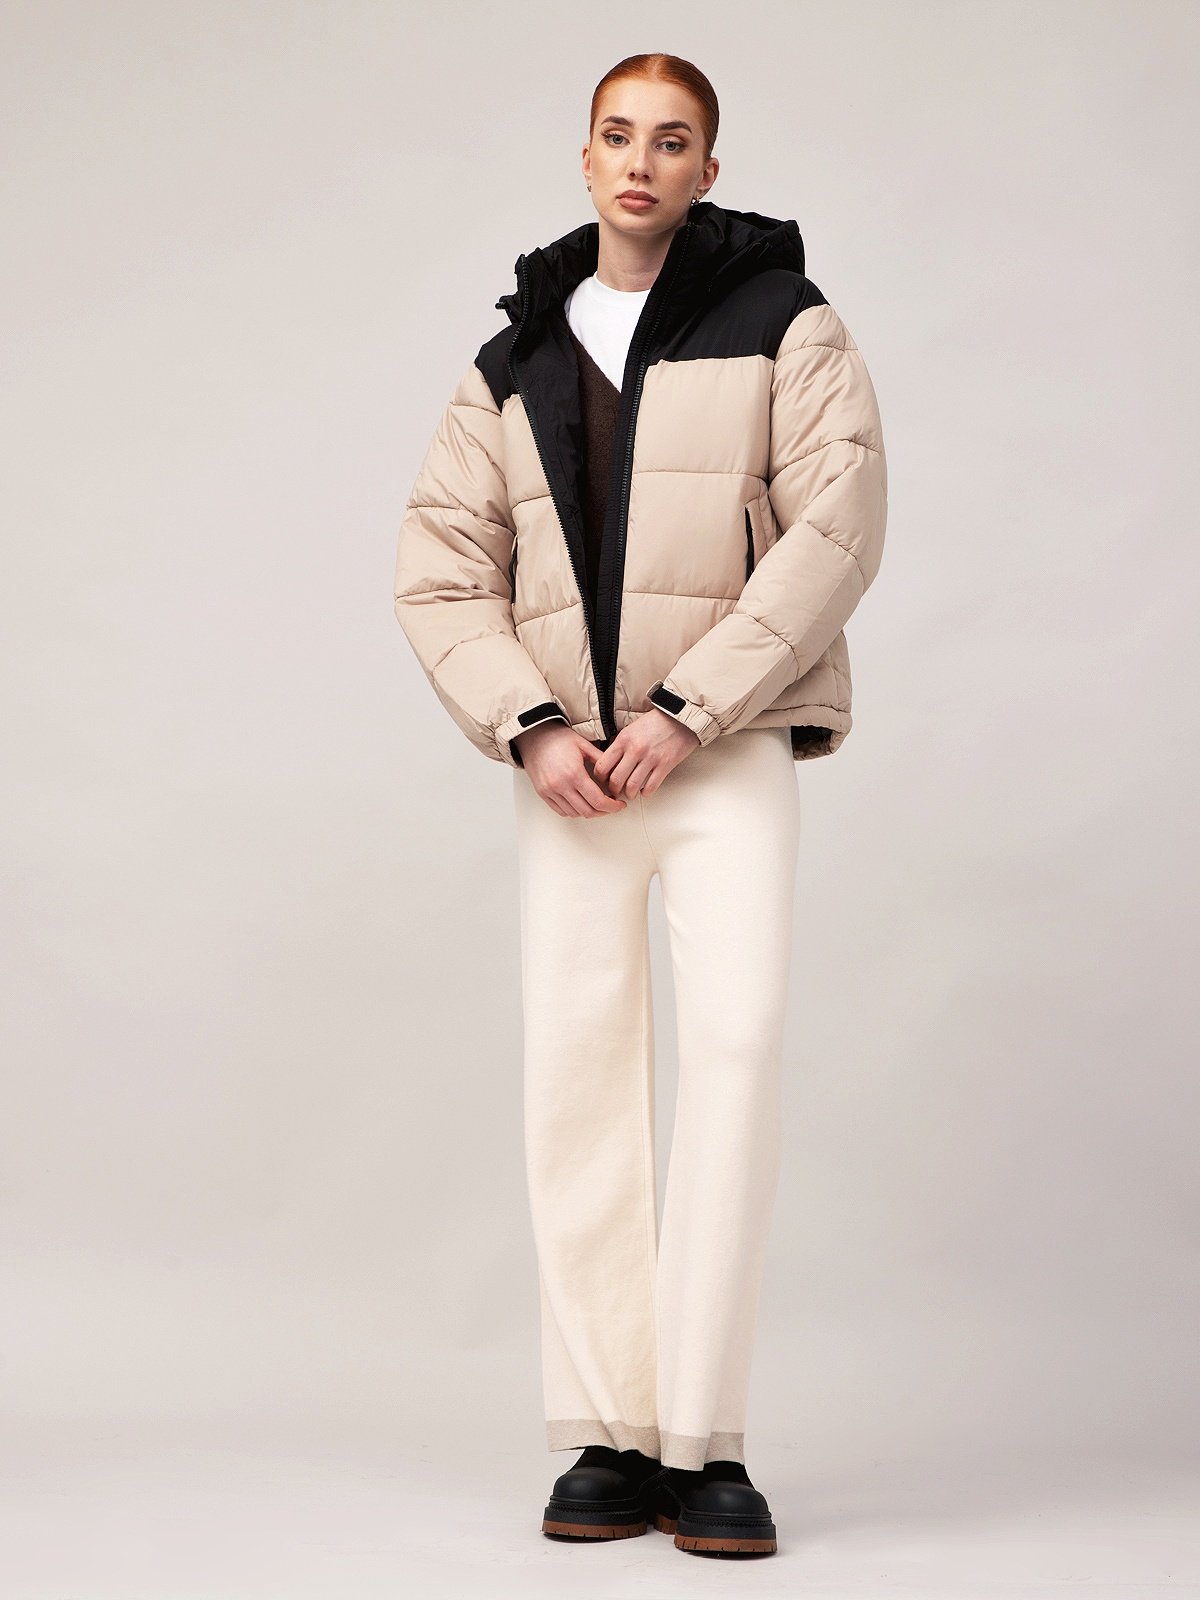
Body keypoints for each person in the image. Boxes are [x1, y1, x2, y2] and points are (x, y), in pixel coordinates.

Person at [394, 52, 888, 1558]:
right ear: (586, 155)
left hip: (719, 753)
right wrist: (531, 726)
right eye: (618, 135)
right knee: (580, 1078)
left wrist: (689, 709)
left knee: (733, 1053)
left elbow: (836, 528)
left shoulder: (786, 323)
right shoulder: (512, 359)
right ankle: (606, 1433)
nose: (641, 162)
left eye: (673, 141)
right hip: (572, 781)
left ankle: (706, 1441)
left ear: (707, 170)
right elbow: (441, 569)